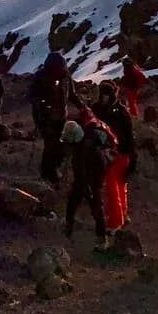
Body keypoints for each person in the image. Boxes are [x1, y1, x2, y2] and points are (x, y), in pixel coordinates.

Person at [60, 100, 112, 243]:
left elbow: (100, 166)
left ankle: (102, 238)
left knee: (96, 209)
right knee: (73, 202)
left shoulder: (88, 149)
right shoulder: (81, 144)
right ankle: (69, 224)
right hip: (82, 180)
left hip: (90, 182)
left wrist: (95, 183)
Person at [96, 82, 135, 235]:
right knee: (117, 187)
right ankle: (120, 216)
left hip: (117, 154)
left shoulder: (119, 112)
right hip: (111, 153)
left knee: (114, 188)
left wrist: (132, 157)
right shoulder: (108, 110)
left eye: (107, 94)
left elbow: (129, 136)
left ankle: (115, 222)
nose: (104, 97)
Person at [31, 52, 72, 185]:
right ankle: (48, 173)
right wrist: (42, 105)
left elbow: (71, 94)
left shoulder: (66, 77)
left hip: (61, 116)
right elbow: (32, 96)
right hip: (44, 118)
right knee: (50, 144)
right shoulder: (41, 77)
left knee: (61, 144)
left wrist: (82, 106)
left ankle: (52, 170)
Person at [119, 55, 147, 119]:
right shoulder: (130, 69)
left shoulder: (130, 69)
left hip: (132, 88)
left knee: (131, 102)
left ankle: (134, 115)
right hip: (131, 87)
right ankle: (133, 113)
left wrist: (137, 86)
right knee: (130, 101)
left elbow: (139, 77)